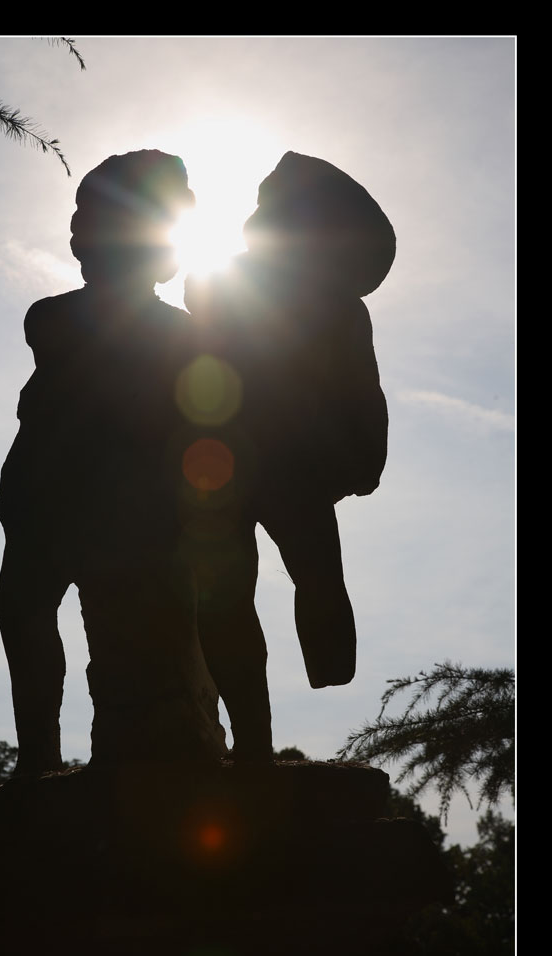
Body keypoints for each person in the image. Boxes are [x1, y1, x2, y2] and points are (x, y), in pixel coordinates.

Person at [0, 150, 200, 775]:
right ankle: (40, 762)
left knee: (126, 636)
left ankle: (144, 752)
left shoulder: (175, 332)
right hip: (49, 492)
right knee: (23, 609)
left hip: (124, 500)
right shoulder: (55, 316)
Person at [184, 151, 395, 760]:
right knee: (226, 596)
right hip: (219, 465)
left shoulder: (338, 307)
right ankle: (252, 737)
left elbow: (362, 386)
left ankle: (310, 681)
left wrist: (364, 457)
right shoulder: (219, 283)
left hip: (284, 464)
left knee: (313, 574)